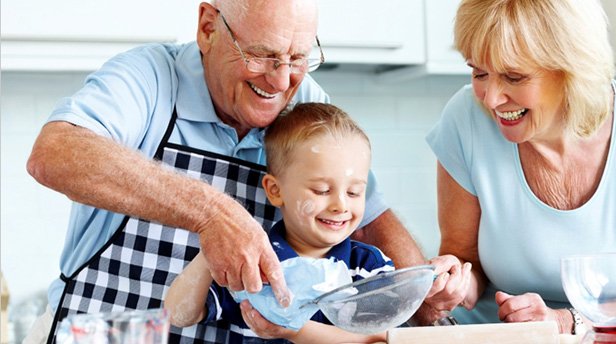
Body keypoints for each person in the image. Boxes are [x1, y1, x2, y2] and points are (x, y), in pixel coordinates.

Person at [23, 0, 425, 342]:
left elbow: (366, 217)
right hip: (109, 331)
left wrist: (427, 300)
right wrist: (212, 213)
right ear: (208, 27)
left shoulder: (301, 99)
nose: (281, 79)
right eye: (261, 54)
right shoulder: (149, 77)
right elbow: (56, 153)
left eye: (299, 58)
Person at [421, 0, 616, 335]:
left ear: (573, 70)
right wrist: (454, 283)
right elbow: (467, 261)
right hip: (494, 337)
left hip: (609, 339)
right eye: (479, 72)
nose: (490, 98)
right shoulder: (464, 119)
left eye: (514, 76)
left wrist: (564, 322)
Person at [165, 103, 393, 343]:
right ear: (275, 190)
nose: (341, 205)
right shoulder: (252, 263)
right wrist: (211, 248)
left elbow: (381, 340)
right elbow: (179, 315)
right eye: (322, 190)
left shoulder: (369, 268)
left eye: (354, 192)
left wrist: (295, 331)